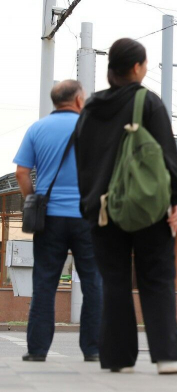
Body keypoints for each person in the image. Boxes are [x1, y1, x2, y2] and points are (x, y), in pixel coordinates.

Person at [74, 38, 177, 374]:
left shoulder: (89, 109)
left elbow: (82, 159)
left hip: (100, 210)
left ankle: (116, 358)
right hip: (147, 208)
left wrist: (89, 203)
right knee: (156, 278)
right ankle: (167, 356)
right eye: (145, 65)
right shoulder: (147, 103)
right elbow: (166, 155)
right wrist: (176, 200)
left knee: (114, 282)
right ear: (136, 68)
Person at [13, 80, 102, 362]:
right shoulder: (94, 129)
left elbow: (21, 173)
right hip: (86, 217)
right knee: (93, 283)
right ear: (78, 100)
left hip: (49, 218)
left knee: (45, 282)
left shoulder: (37, 129)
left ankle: (37, 350)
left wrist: (34, 199)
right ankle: (93, 349)